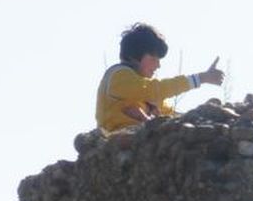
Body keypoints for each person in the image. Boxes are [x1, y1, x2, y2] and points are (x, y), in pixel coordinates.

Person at [95, 23, 223, 133]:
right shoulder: (120, 76)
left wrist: (200, 116)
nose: (158, 65)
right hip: (118, 143)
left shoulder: (144, 91)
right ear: (134, 56)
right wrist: (201, 78)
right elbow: (157, 90)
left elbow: (168, 113)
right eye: (153, 59)